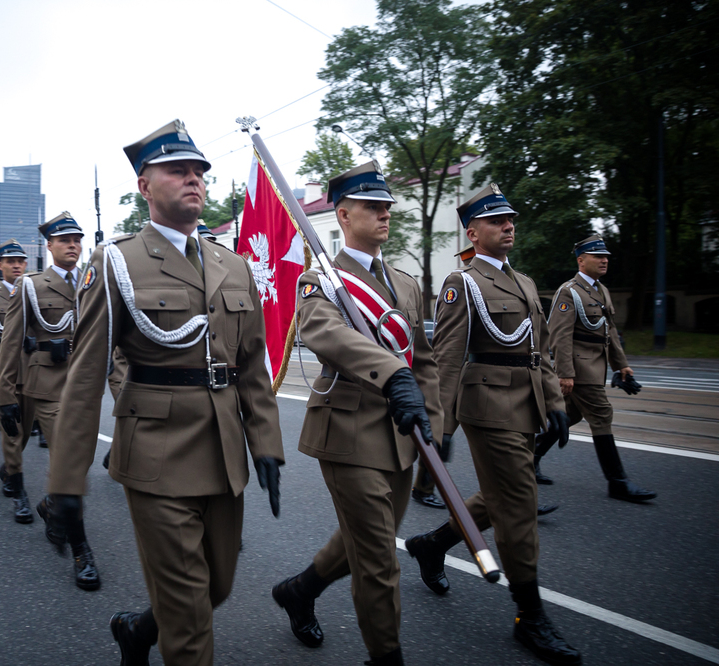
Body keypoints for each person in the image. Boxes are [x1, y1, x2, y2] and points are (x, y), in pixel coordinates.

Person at [40, 120, 284, 664]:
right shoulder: (118, 262)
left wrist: (265, 444)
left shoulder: (233, 263)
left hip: (223, 453)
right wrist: (66, 482)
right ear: (145, 187)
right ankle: (168, 628)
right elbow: (84, 380)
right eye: (178, 170)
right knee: (191, 618)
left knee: (216, 587)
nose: (193, 179)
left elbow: (250, 366)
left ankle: (139, 629)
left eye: (199, 170)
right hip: (156, 452)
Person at [271, 162, 440, 665]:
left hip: (403, 431)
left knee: (370, 537)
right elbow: (328, 334)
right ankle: (385, 657)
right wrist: (393, 375)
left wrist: (436, 420)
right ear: (343, 215)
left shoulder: (406, 284)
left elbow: (424, 359)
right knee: (380, 560)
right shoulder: (318, 280)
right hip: (347, 430)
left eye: (387, 205)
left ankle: (300, 590)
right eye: (372, 206)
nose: (385, 213)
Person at [410, 184, 580, 665]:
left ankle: (432, 544)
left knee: (502, 494)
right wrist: (439, 423)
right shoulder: (461, 283)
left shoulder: (524, 283)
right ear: (473, 232)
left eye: (511, 220)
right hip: (487, 407)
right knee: (519, 506)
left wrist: (554, 404)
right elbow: (444, 359)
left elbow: (538, 351)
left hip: (525, 406)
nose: (508, 226)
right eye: (496, 221)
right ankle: (530, 617)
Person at [0, 214, 89, 558]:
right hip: (47, 384)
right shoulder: (31, 286)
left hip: (84, 385)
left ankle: (53, 503)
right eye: (64, 240)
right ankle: (81, 550)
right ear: (49, 246)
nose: (72, 245)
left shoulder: (92, 282)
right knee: (67, 460)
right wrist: (5, 396)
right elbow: (10, 342)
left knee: (79, 463)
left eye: (76, 239)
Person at [539, 234, 656, 502]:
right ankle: (618, 482)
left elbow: (609, 333)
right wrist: (564, 372)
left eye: (606, 257)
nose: (604, 260)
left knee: (570, 416)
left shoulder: (601, 290)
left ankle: (531, 457)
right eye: (598, 256)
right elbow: (559, 335)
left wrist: (622, 365)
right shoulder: (569, 291)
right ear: (581, 260)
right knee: (602, 415)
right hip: (580, 369)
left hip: (597, 366)